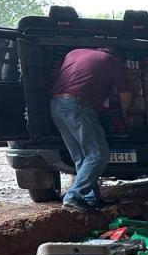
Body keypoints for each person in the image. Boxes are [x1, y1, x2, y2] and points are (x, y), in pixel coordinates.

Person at [50, 47, 132, 213]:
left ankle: (91, 199)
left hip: (56, 105)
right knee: (98, 154)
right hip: (77, 105)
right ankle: (73, 196)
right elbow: (126, 96)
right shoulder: (114, 62)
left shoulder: (73, 52)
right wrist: (126, 116)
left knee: (81, 157)